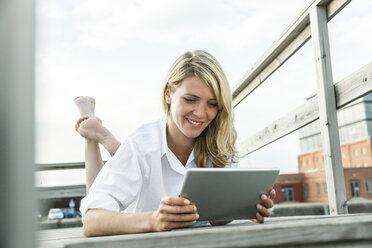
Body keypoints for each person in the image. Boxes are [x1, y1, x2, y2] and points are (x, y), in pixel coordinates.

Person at [74, 50, 276, 237]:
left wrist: (240, 208)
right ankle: (94, 138)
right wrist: (154, 220)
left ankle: (108, 143)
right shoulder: (142, 143)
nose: (201, 113)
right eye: (190, 99)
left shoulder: (222, 146)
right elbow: (91, 221)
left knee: (126, 161)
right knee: (102, 187)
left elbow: (210, 220)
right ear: (168, 94)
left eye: (212, 104)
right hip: (136, 231)